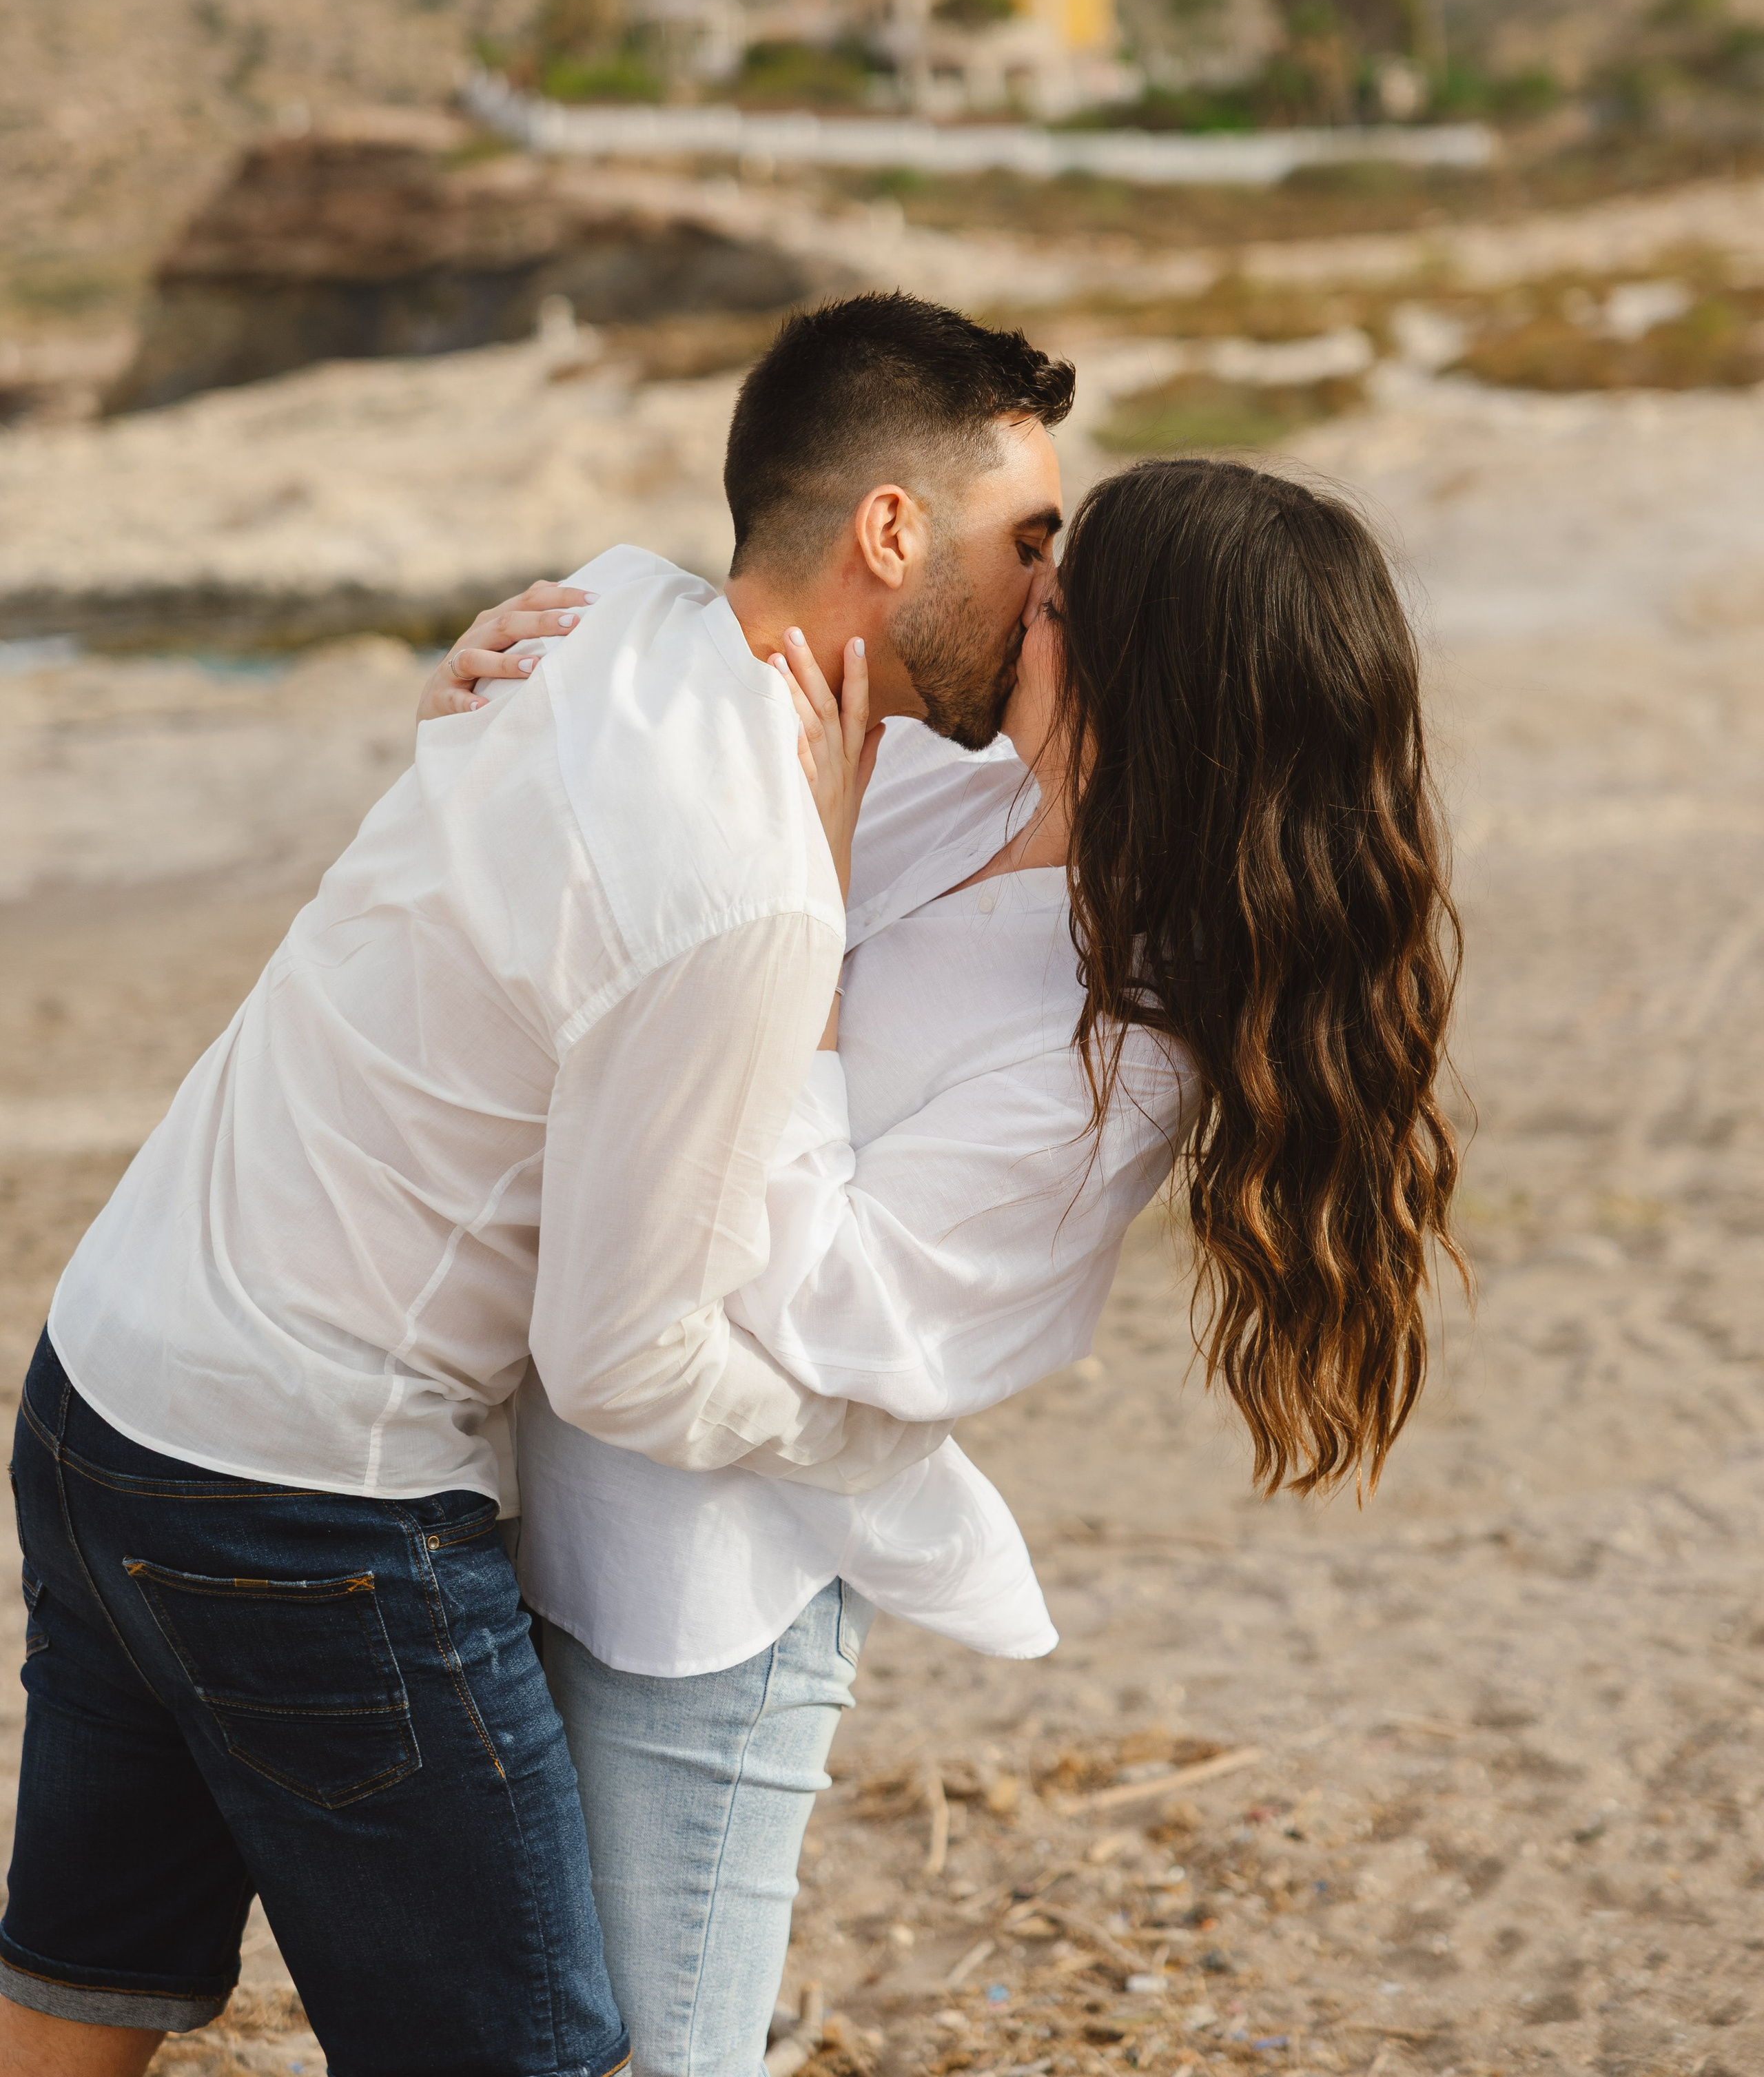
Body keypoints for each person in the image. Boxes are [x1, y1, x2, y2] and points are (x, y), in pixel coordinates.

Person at [0, 296, 1076, 2077]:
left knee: (81, 1988)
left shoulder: (604, 610)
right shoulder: (749, 890)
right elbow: (621, 1360)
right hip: (308, 1507)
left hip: (102, 1382)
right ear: (892, 530)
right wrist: (876, 1462)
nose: (1050, 591)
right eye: (1028, 539)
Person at [420, 444, 1466, 2077]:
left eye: (1064, 588)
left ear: (1144, 683)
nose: (1021, 596)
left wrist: (806, 916)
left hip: (702, 1607)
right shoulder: (949, 781)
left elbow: (833, 1297)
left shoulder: (1118, 1048)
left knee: (658, 2059)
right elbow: (643, 832)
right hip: (514, 1488)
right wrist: (492, 694)